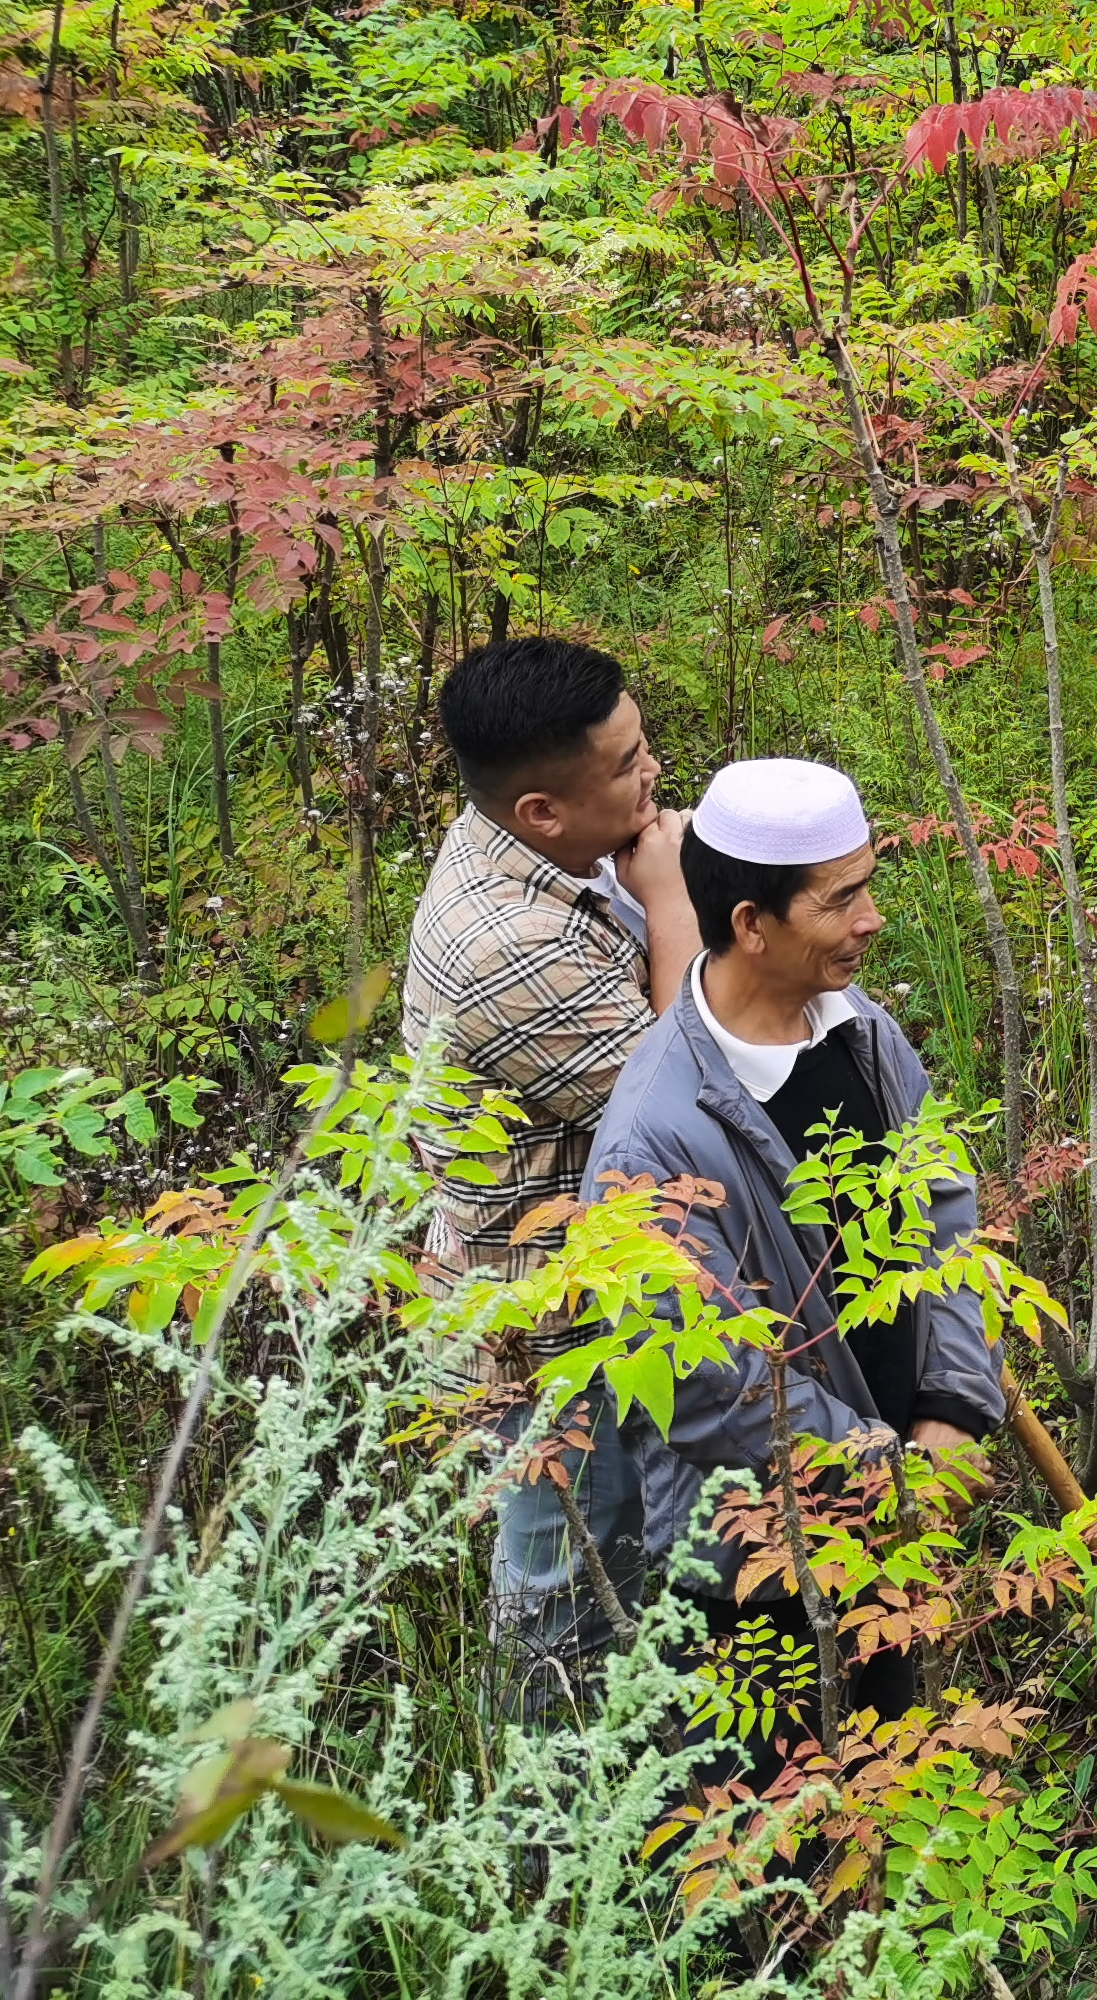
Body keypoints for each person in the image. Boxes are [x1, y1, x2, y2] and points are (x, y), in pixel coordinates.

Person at [582, 758, 1006, 1761]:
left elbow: (944, 1207)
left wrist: (951, 1405)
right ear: (749, 923)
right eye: (841, 899)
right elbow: (700, 1378)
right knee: (778, 1807)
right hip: (762, 1547)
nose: (871, 920)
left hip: (897, 1487)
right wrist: (883, 1466)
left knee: (886, 1756)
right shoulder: (655, 1133)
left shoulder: (860, 1033)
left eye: (869, 886)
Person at [404, 635, 701, 1718]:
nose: (652, 774)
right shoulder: (511, 945)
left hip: (585, 1285)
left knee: (617, 1562)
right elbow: (677, 1101)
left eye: (641, 745)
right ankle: (543, 1831)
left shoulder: (532, 851)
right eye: (625, 767)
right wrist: (669, 903)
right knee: (564, 1587)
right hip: (551, 1335)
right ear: (539, 809)